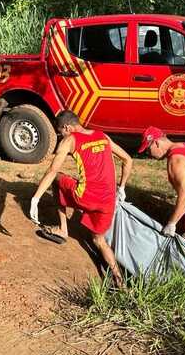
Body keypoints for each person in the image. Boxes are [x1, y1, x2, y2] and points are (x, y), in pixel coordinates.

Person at [29, 110, 132, 288]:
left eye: (60, 131)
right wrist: (121, 187)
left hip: (86, 197)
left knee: (59, 178)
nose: (60, 135)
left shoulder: (69, 140)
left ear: (67, 127)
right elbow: (128, 159)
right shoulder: (103, 136)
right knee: (99, 240)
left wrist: (35, 198)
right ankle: (119, 280)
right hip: (108, 201)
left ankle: (63, 229)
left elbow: (52, 171)